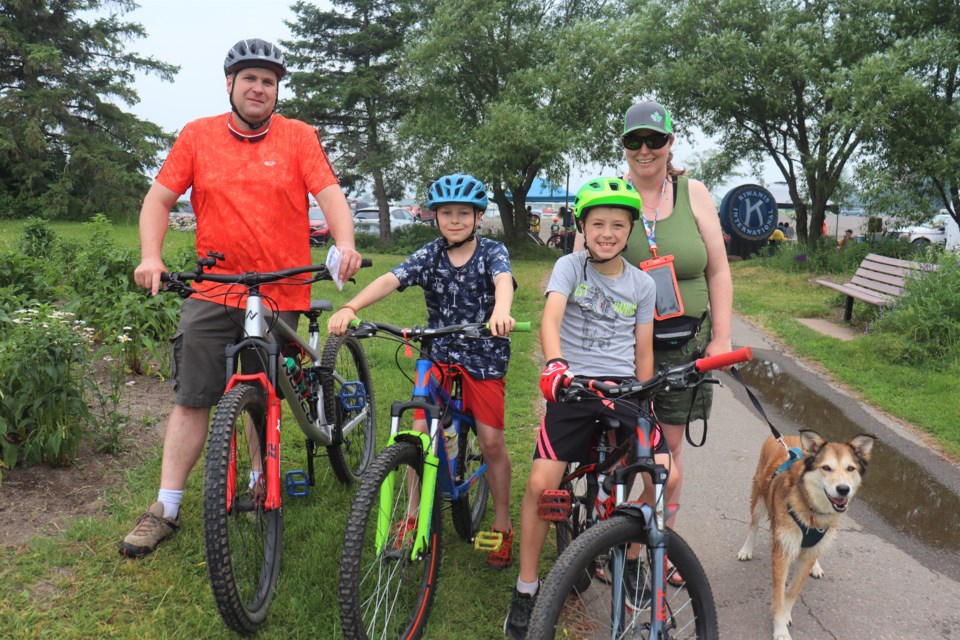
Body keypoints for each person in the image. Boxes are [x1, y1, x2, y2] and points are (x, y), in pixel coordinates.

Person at [120, 38, 362, 559]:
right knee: (192, 397)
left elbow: (331, 195)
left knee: (268, 391)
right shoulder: (197, 136)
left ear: (277, 91)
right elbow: (159, 200)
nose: (259, 88)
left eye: (269, 81)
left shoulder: (299, 137)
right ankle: (164, 507)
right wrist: (150, 256)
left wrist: (345, 243)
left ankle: (259, 479)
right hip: (214, 288)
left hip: (281, 288)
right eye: (250, 78)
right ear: (229, 84)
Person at [327, 173, 518, 569]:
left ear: (478, 216)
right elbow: (390, 278)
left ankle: (503, 522)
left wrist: (501, 311)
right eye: (446, 213)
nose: (454, 220)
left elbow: (503, 282)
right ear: (435, 217)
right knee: (421, 435)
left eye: (463, 213)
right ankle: (413, 515)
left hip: (483, 355)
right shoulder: (430, 254)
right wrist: (352, 307)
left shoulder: (492, 252)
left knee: (492, 440)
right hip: (437, 355)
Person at [504, 177, 658, 639]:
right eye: (597, 224)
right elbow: (552, 317)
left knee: (663, 472)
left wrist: (644, 395)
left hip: (623, 390)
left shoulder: (643, 284)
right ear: (583, 228)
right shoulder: (569, 267)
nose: (607, 233)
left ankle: (628, 558)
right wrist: (555, 365)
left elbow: (643, 349)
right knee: (540, 484)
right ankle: (527, 587)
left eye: (617, 224)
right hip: (573, 390)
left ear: (630, 231)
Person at [615, 100, 734, 583]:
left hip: (688, 343)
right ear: (624, 147)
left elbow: (719, 269)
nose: (645, 150)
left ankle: (657, 545)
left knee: (671, 449)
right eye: (634, 141)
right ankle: (620, 534)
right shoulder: (612, 194)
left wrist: (722, 337)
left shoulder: (695, 193)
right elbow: (580, 266)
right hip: (626, 345)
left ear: (670, 143)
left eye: (654, 140)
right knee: (630, 448)